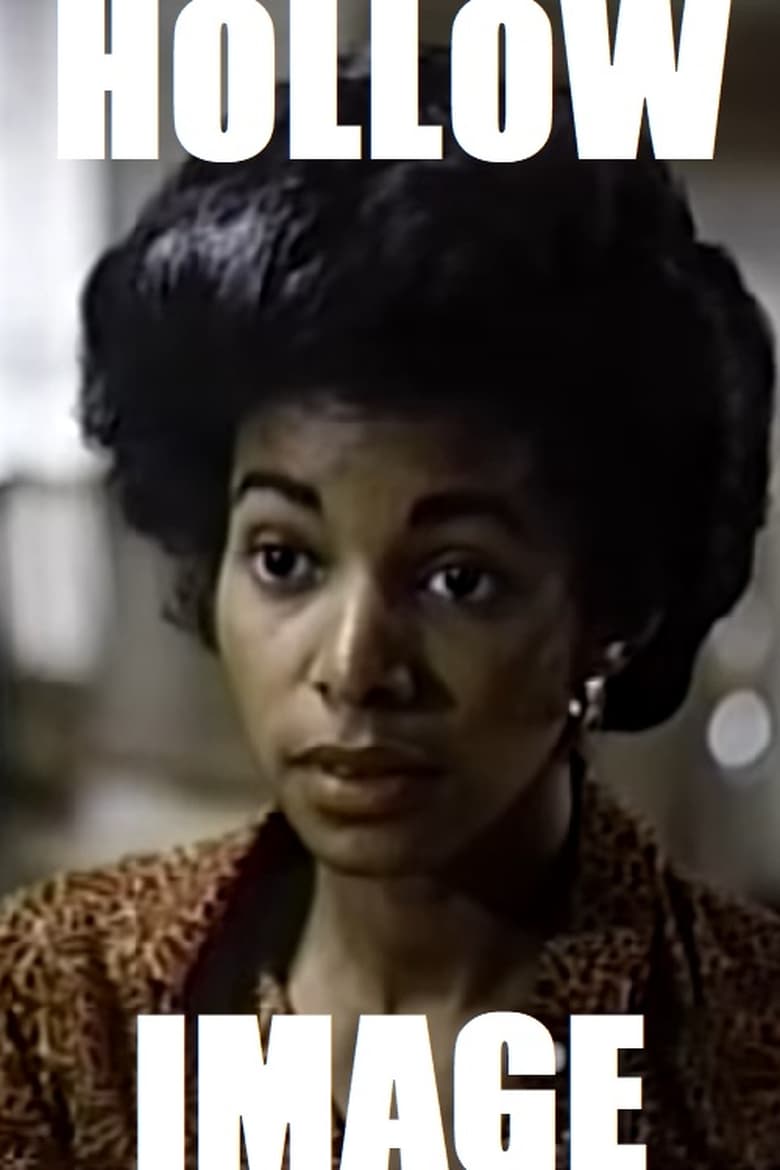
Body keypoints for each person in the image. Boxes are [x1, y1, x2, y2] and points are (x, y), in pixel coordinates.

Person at [1, 50, 779, 1169]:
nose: (357, 665)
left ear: (614, 609)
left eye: (458, 578)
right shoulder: (63, 1009)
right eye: (285, 560)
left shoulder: (743, 1064)